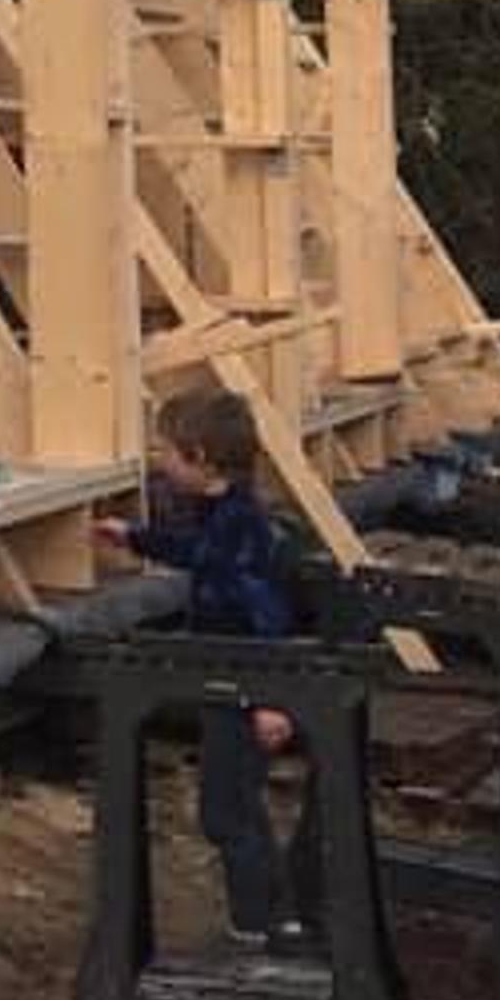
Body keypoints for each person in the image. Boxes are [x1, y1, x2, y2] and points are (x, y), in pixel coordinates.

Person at [99, 387, 315, 945]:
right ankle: (275, 909)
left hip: (242, 686)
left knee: (225, 812)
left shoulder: (242, 525)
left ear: (198, 456)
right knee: (239, 803)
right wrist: (136, 538)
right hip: (229, 680)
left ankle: (256, 924)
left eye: (166, 453)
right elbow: (197, 552)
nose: (159, 462)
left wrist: (270, 699)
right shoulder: (225, 512)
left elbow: (268, 613)